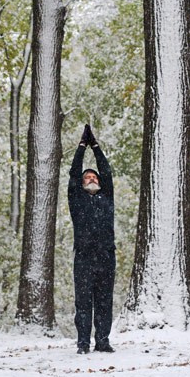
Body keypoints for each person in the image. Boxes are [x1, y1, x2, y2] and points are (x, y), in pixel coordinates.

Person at [68, 124, 115, 354]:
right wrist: (81, 147)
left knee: (104, 302)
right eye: (87, 177)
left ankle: (103, 341)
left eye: (93, 175)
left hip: (106, 257)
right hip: (84, 259)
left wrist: (95, 146)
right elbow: (74, 172)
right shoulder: (77, 200)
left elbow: (106, 171)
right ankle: (83, 343)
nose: (90, 177)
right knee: (84, 303)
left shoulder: (107, 197)